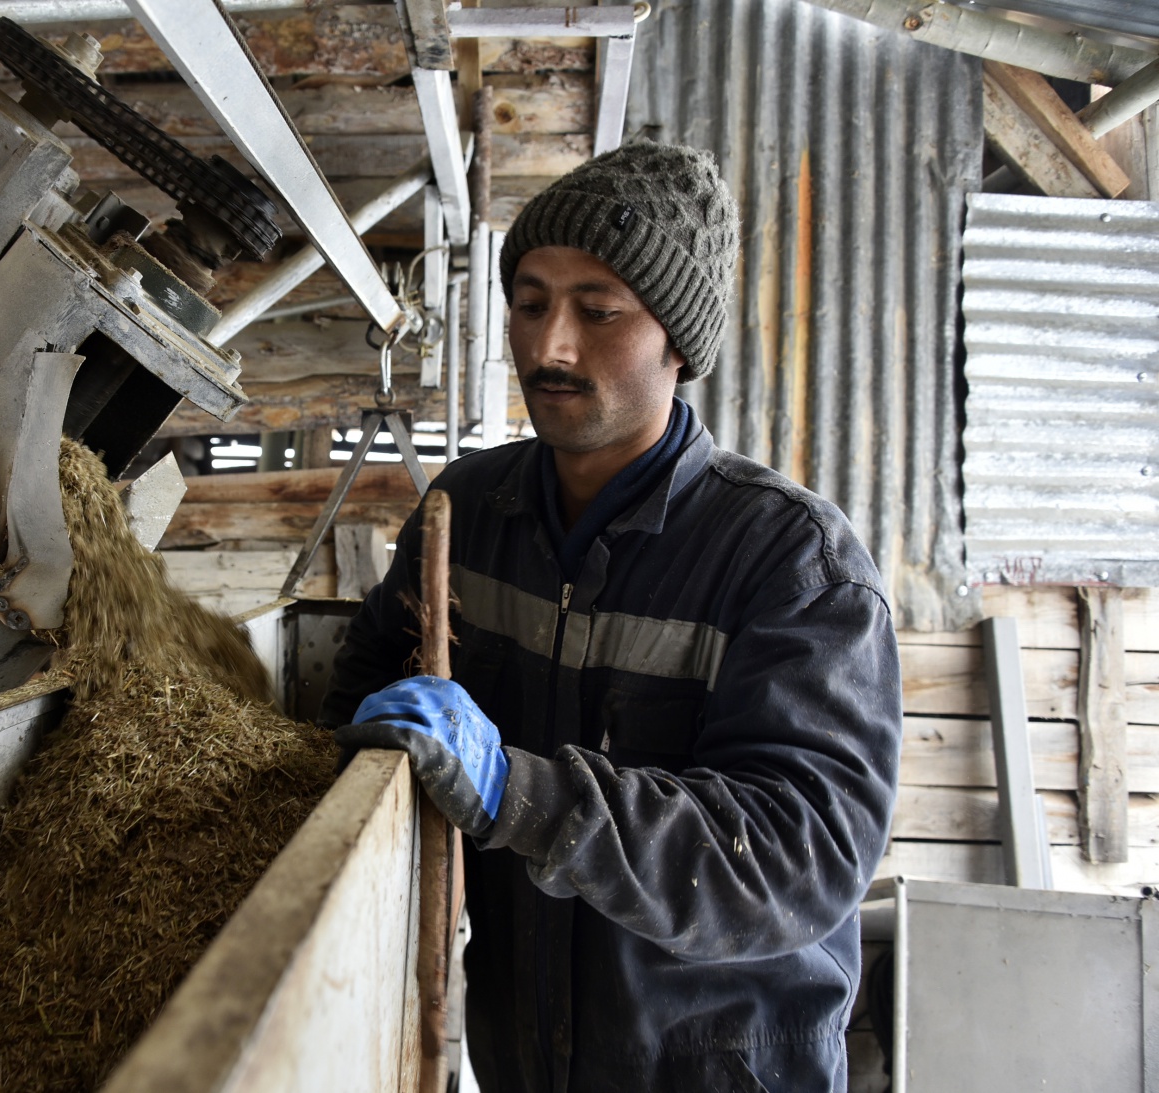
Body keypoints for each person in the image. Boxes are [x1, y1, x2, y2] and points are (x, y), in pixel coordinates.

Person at [322, 142, 901, 1093]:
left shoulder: (794, 566)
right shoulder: (465, 516)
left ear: (678, 339)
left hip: (716, 1072)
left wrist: (520, 792)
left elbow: (799, 855)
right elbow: (358, 698)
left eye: (598, 311)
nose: (549, 345)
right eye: (531, 301)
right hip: (519, 1059)